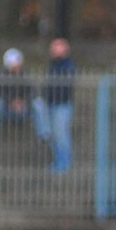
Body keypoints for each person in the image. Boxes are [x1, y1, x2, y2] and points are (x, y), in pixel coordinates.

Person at [0, 48, 50, 143]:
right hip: (8, 109)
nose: (17, 66)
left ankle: (44, 135)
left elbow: (33, 92)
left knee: (39, 103)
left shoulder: (27, 75)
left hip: (25, 109)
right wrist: (11, 103)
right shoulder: (1, 77)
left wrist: (24, 102)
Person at [44, 38, 76, 173]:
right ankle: (58, 161)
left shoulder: (68, 65)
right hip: (52, 103)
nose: (54, 50)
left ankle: (64, 163)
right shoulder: (53, 65)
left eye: (57, 48)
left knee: (61, 134)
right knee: (54, 135)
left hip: (62, 105)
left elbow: (65, 85)